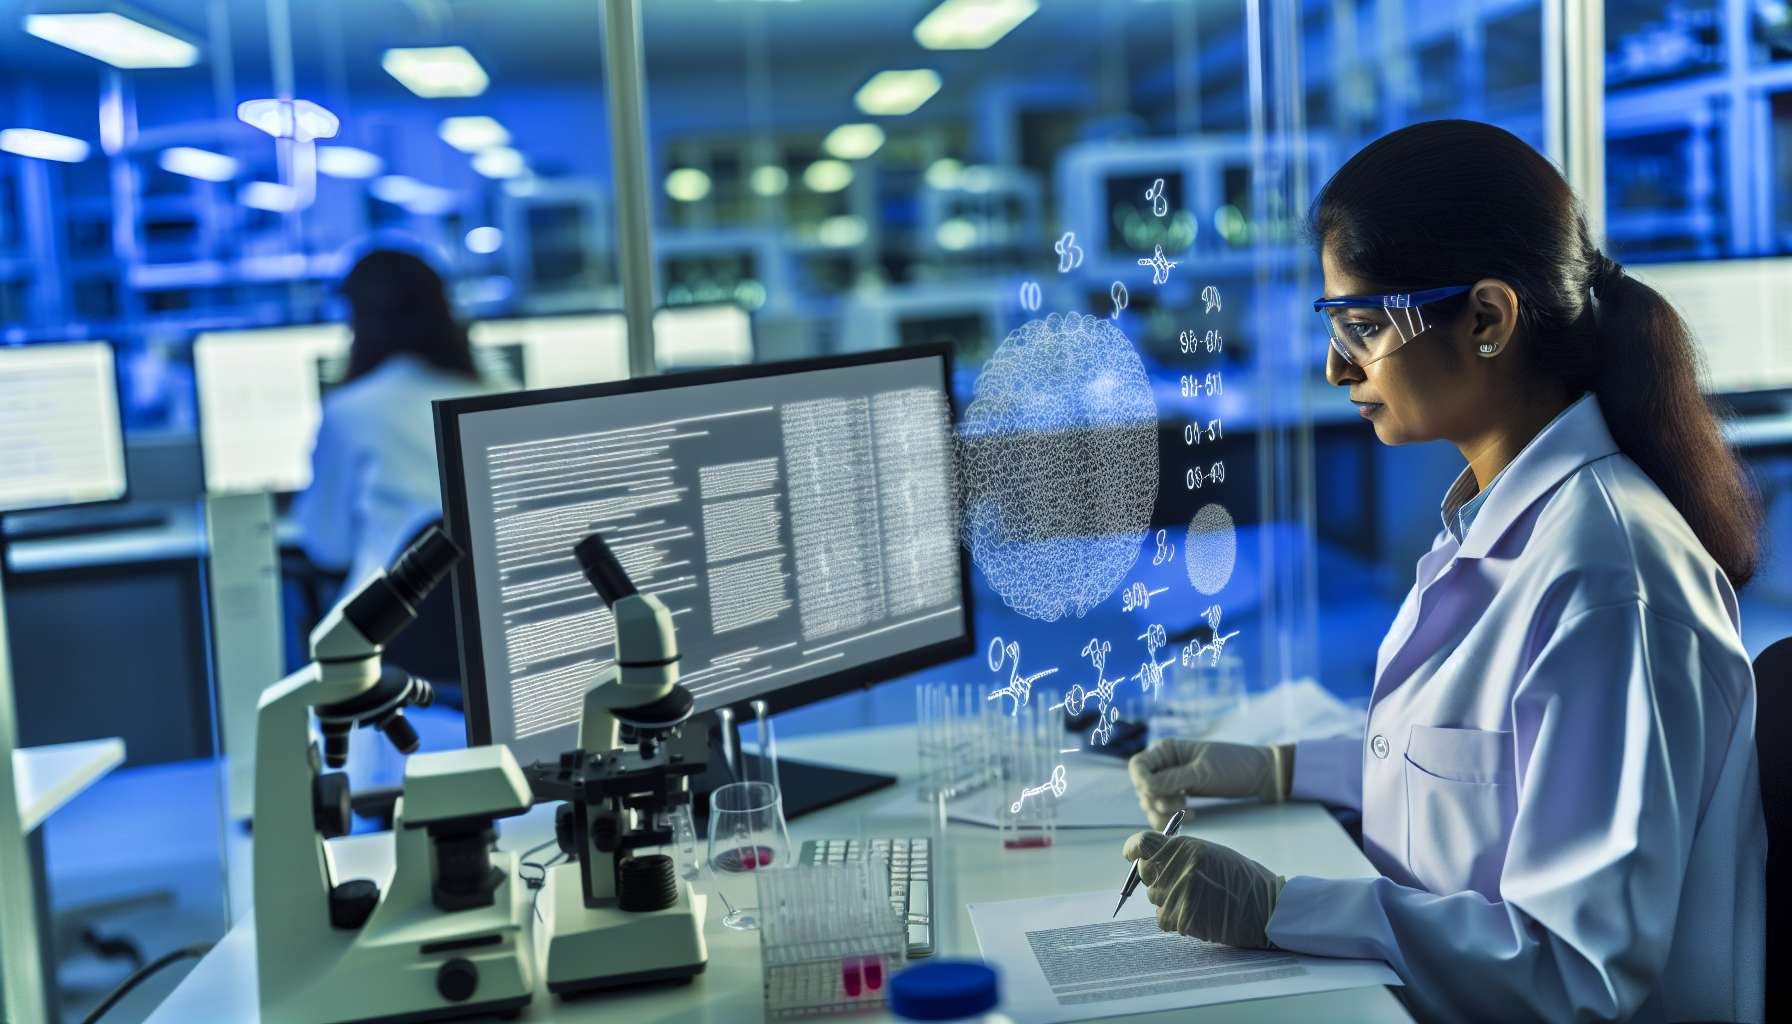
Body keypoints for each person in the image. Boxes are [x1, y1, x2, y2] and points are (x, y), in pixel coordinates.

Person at [1123, 120, 1765, 1023]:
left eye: (1362, 327)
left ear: (1488, 319)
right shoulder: (1501, 524)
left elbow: (1578, 975)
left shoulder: (1608, 584)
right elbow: (1475, 779)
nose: (1337, 365)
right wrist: (1278, 769)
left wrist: (1282, 911)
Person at [293, 250, 497, 592]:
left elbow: (328, 548)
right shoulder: (499, 397)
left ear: (357, 321)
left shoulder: (351, 410)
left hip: (391, 614)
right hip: (491, 611)